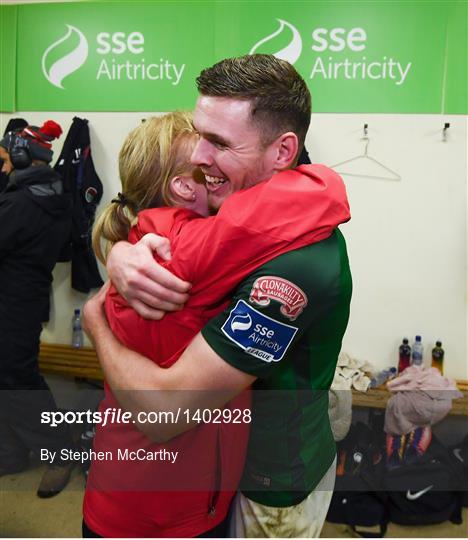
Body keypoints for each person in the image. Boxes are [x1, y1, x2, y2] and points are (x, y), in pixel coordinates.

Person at [84, 54, 352, 537]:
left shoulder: (297, 262)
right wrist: (123, 257)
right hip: (208, 478)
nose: (202, 158)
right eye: (200, 137)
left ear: (282, 151)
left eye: (220, 143)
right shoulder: (224, 220)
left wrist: (95, 316)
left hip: (269, 482)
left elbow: (164, 413)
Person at [0, 121, 75, 497]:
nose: (2, 168)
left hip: (12, 301)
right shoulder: (53, 194)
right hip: (26, 297)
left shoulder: (19, 202)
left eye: (4, 160)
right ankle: (10, 454)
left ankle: (60, 451)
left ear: (19, 156)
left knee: (17, 378)